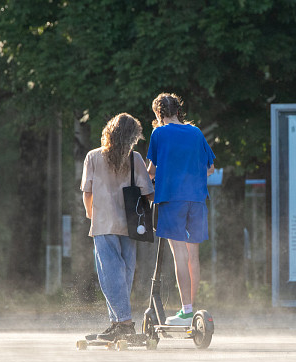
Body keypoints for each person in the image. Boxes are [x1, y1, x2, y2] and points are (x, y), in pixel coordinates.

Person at [81, 113, 154, 341]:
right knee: (125, 272)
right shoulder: (135, 159)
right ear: (132, 137)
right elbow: (148, 193)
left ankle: (124, 323)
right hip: (130, 223)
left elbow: (87, 192)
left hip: (103, 222)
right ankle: (117, 322)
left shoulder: (93, 157)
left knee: (109, 273)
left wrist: (90, 213)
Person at [146, 93, 215, 326]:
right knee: (192, 255)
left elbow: (151, 171)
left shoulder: (159, 133)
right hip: (196, 199)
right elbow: (211, 167)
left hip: (172, 199)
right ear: (178, 110)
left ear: (158, 113)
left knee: (179, 254)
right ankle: (192, 310)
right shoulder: (195, 132)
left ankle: (186, 312)